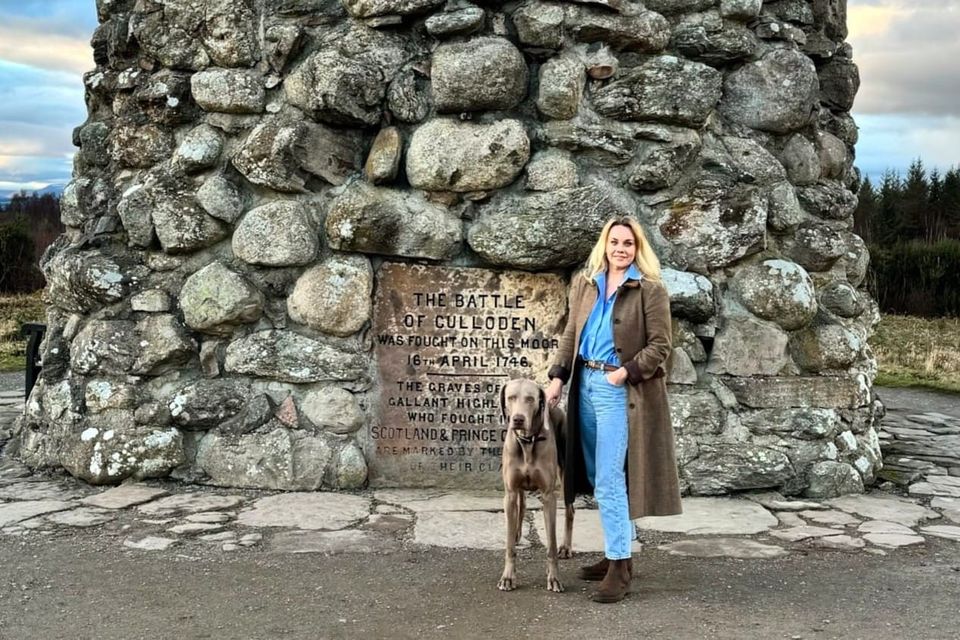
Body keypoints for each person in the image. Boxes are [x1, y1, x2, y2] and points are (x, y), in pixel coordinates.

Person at [545, 215, 682, 603]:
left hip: (617, 389)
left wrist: (625, 373)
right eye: (615, 242)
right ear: (604, 244)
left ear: (638, 249)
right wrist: (558, 377)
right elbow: (571, 334)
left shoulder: (649, 290)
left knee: (608, 479)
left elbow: (660, 347)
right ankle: (613, 552)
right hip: (584, 387)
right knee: (595, 474)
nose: (620, 249)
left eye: (628, 244)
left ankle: (621, 566)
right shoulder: (586, 285)